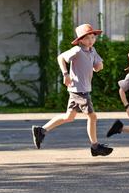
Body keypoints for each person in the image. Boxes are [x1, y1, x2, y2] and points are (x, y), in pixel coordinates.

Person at [31, 23, 113, 157]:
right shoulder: (77, 50)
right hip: (79, 90)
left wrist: (98, 66)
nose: (91, 40)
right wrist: (65, 74)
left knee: (69, 117)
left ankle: (41, 130)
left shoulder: (92, 50)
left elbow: (97, 66)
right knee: (92, 116)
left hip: (80, 89)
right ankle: (95, 146)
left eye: (93, 37)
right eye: (87, 38)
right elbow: (60, 57)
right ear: (80, 40)